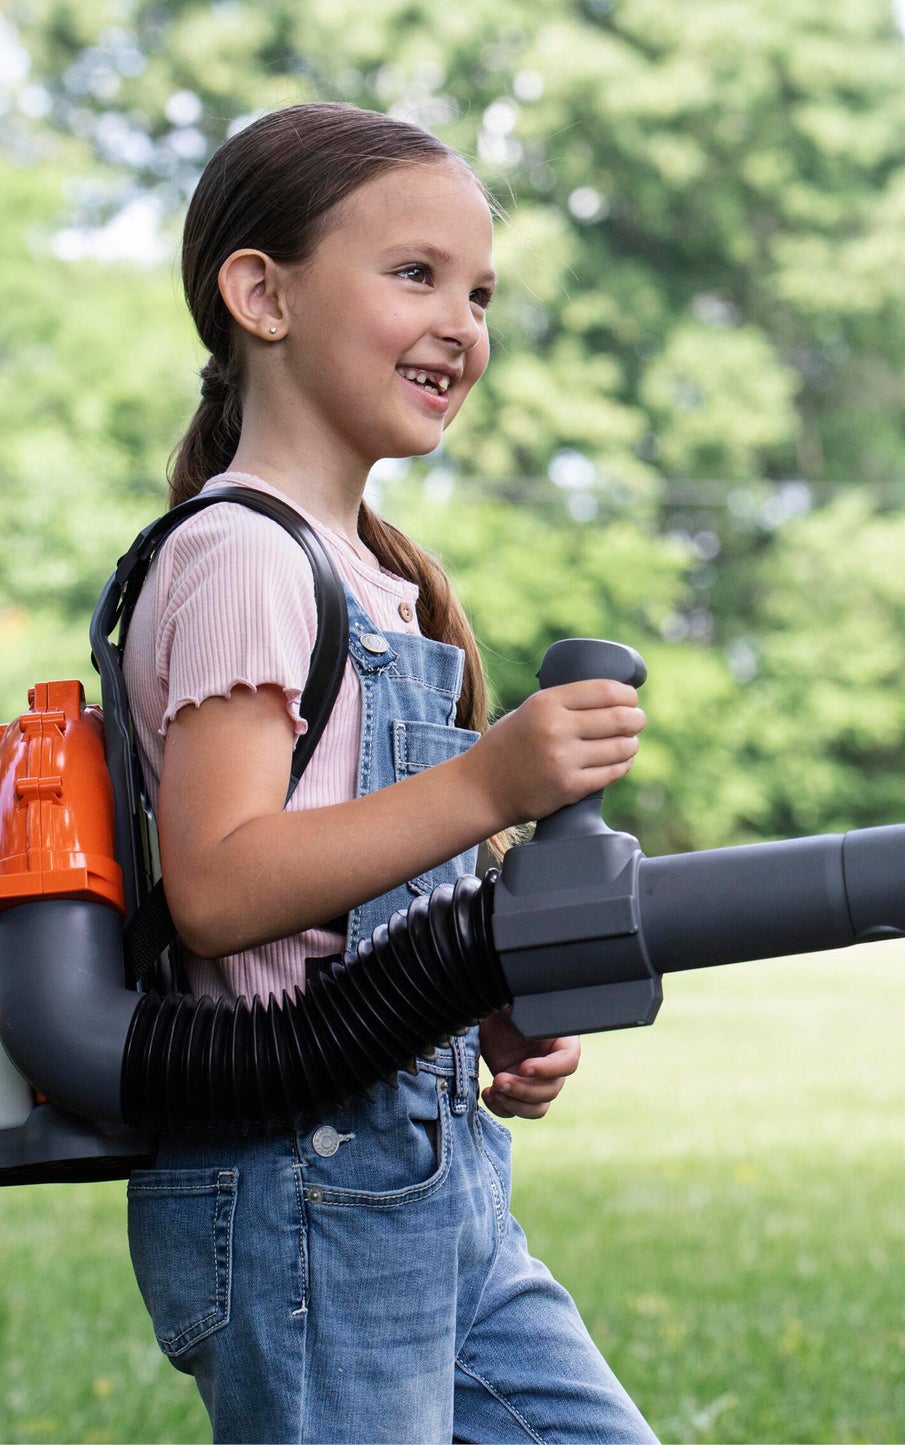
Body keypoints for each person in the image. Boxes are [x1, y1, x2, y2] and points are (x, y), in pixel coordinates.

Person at [120, 101, 656, 1445]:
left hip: (432, 1172)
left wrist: (482, 1012)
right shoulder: (242, 555)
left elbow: (366, 908)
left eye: (479, 291)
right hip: (298, 1183)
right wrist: (490, 784)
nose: (462, 323)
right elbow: (222, 887)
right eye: (413, 274)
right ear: (262, 292)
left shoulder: (388, 579)